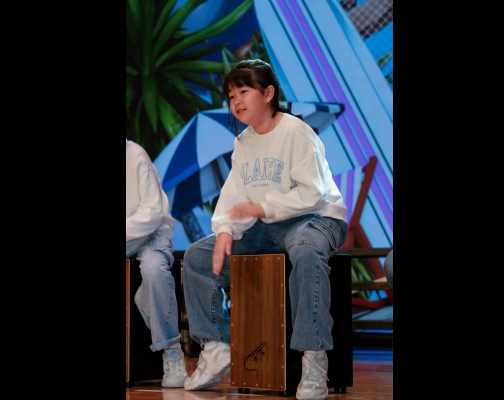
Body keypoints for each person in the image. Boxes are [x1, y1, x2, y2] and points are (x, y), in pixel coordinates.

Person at [182, 59, 348, 400]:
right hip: (268, 227)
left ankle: (314, 358)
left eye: (244, 91)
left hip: (318, 218)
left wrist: (261, 207)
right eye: (231, 96)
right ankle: (216, 346)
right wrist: (225, 230)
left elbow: (313, 192)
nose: (236, 102)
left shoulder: (296, 131)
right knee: (198, 256)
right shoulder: (243, 142)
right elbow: (234, 196)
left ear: (268, 93)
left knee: (305, 249)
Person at [126, 107, 188, 387]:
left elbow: (152, 213)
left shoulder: (135, 154)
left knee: (154, 270)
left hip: (151, 233)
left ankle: (172, 351)